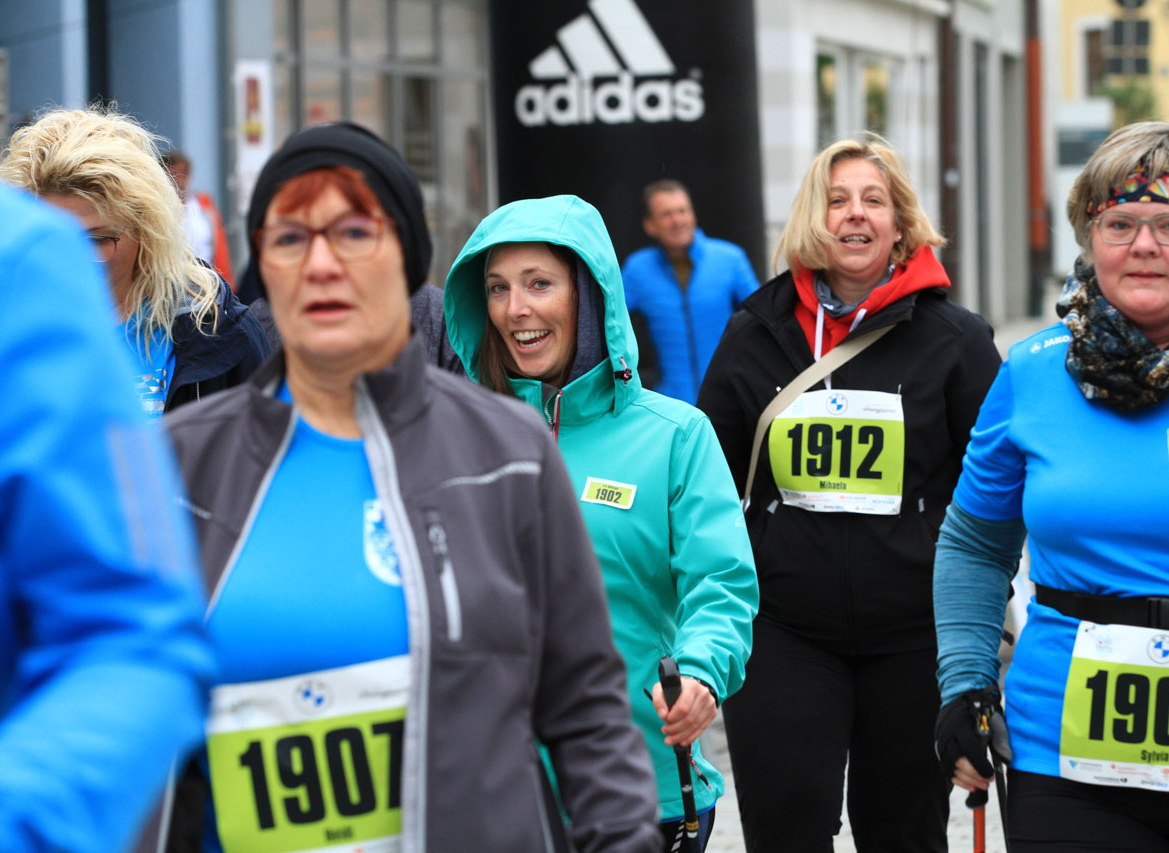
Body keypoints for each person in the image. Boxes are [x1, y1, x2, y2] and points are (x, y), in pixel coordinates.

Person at [159, 123, 659, 852]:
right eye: (290, 237)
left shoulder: (509, 456)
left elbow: (587, 709)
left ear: (407, 255)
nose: (321, 263)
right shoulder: (179, 467)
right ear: (263, 265)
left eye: (354, 233)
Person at [0, 110, 214, 853]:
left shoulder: (6, 269)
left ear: (143, 235)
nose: (85, 256)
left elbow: (137, 631)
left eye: (100, 237)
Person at [697, 136, 1000, 852]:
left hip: (914, 632)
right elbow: (708, 482)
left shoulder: (957, 340)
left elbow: (994, 496)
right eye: (837, 200)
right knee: (784, 825)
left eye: (874, 200)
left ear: (901, 222)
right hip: (783, 629)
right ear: (813, 217)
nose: (855, 214)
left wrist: (988, 638)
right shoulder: (754, 333)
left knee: (905, 831)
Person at [443, 193, 759, 850]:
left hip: (639, 790)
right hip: (490, 798)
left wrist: (701, 672)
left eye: (539, 284)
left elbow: (721, 584)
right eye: (498, 288)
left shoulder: (676, 436)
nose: (515, 308)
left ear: (587, 296)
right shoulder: (455, 438)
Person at [934, 121, 1169, 850]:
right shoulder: (1034, 370)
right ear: (1089, 237)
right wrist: (966, 683)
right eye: (1120, 223)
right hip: (1067, 753)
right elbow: (975, 545)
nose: (1144, 245)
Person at [0, 108, 270, 417]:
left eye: (97, 240)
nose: (74, 259)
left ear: (145, 230)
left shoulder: (221, 332)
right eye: (53, 239)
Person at [621, 179, 759, 404]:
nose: (677, 220)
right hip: (670, 404)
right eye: (666, 214)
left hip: (727, 399)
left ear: (693, 216)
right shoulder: (637, 269)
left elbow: (761, 320)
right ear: (650, 225)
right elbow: (608, 322)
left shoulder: (730, 258)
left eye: (682, 211)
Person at [163, 148, 236, 285]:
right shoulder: (161, 209)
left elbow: (219, 246)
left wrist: (227, 282)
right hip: (173, 283)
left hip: (209, 281)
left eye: (183, 174)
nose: (179, 181)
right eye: (173, 175)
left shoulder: (203, 205)